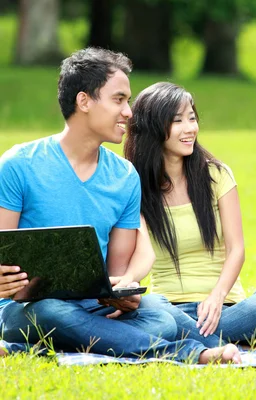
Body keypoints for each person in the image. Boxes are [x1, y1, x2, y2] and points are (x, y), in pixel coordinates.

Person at [0, 48, 239, 364]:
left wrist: (123, 293)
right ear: (84, 101)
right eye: (119, 100)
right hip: (27, 306)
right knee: (51, 310)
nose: (129, 112)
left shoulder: (124, 176)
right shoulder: (19, 164)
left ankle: (43, 347)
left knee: (162, 317)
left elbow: (117, 274)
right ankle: (188, 353)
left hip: (94, 306)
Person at [124, 82, 256, 348]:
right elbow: (144, 256)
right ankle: (239, 347)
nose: (190, 128)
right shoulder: (137, 188)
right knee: (149, 305)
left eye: (192, 118)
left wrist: (216, 297)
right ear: (153, 128)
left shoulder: (216, 176)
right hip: (171, 308)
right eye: (177, 120)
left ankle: (198, 343)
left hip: (225, 309)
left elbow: (236, 249)